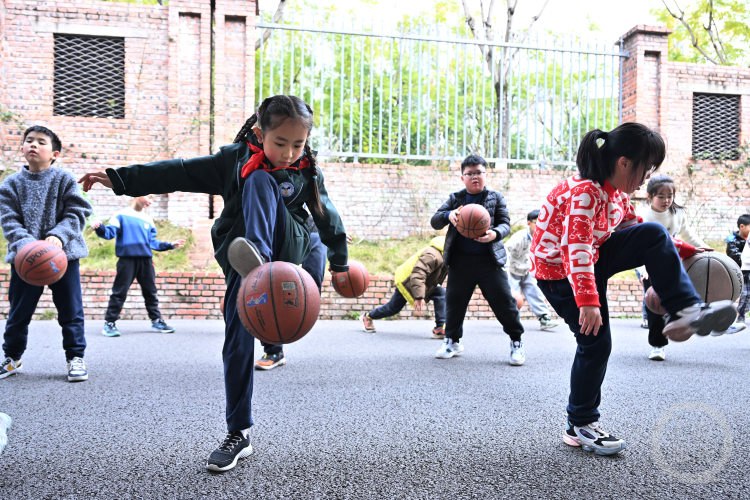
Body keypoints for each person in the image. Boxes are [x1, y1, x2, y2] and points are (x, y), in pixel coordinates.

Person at [78, 95, 349, 473]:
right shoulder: (232, 160)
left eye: (298, 144)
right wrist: (122, 178)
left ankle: (267, 269)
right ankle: (238, 433)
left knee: (265, 184)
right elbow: (181, 171)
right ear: (259, 133)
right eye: (280, 143)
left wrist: (340, 264)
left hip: (289, 248)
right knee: (236, 341)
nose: (289, 153)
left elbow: (327, 216)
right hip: (245, 260)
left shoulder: (306, 170)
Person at [531, 122, 736, 456]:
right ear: (624, 162)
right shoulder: (585, 191)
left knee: (654, 234)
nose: (646, 178)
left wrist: (683, 249)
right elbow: (576, 247)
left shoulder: (615, 193)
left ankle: (686, 311)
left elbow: (638, 231)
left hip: (594, 257)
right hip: (559, 273)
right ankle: (580, 423)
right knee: (595, 342)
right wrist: (588, 301)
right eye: (645, 169)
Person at [0, 126, 92, 383]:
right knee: (19, 311)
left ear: (54, 154)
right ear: (22, 149)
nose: (33, 145)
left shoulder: (64, 179)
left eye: (41, 142)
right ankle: (12, 357)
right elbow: (8, 219)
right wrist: (31, 246)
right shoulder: (11, 184)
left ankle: (75, 357)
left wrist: (58, 236)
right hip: (25, 260)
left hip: (65, 257)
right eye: (29, 141)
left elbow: (77, 211)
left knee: (71, 310)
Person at [430, 154, 526, 365]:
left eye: (478, 173)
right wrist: (449, 216)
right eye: (469, 173)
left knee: (504, 303)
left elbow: (506, 224)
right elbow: (435, 221)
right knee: (454, 304)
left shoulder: (495, 197)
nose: (475, 177)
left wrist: (496, 234)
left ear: (486, 174)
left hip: (489, 261)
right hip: (460, 262)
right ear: (462, 177)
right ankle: (451, 341)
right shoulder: (455, 199)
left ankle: (516, 341)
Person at [635, 174, 737, 361]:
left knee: (687, 290)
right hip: (647, 263)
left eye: (670, 195)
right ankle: (658, 345)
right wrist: (643, 268)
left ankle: (704, 319)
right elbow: (639, 244)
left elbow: (688, 235)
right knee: (655, 301)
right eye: (661, 196)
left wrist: (707, 251)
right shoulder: (644, 215)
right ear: (649, 196)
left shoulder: (677, 213)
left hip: (670, 259)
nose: (666, 200)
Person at [93, 195, 185, 337]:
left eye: (153, 199)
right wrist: (100, 228)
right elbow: (109, 233)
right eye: (149, 197)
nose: (151, 201)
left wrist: (170, 245)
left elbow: (153, 242)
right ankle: (109, 323)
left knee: (150, 292)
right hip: (126, 260)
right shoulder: (120, 215)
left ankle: (156, 321)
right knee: (119, 292)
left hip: (146, 261)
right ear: (137, 195)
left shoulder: (148, 219)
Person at [254, 214, 327, 370]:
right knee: (273, 290)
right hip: (285, 234)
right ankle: (274, 351)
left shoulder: (314, 189)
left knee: (311, 289)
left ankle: (293, 319)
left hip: (314, 234)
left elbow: (325, 208)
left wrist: (336, 234)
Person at [360, 235, 447, 338]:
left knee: (441, 293)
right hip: (407, 281)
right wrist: (419, 297)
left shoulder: (446, 255)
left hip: (422, 283)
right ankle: (368, 317)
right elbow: (418, 274)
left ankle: (440, 327)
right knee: (393, 308)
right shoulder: (433, 255)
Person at [504, 210, 561, 331]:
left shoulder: (542, 237)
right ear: (528, 223)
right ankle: (511, 322)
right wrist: (506, 270)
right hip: (513, 270)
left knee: (536, 292)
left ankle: (544, 319)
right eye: (536, 222)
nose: (540, 225)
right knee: (512, 297)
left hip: (528, 271)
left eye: (542, 222)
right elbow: (505, 251)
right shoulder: (519, 237)